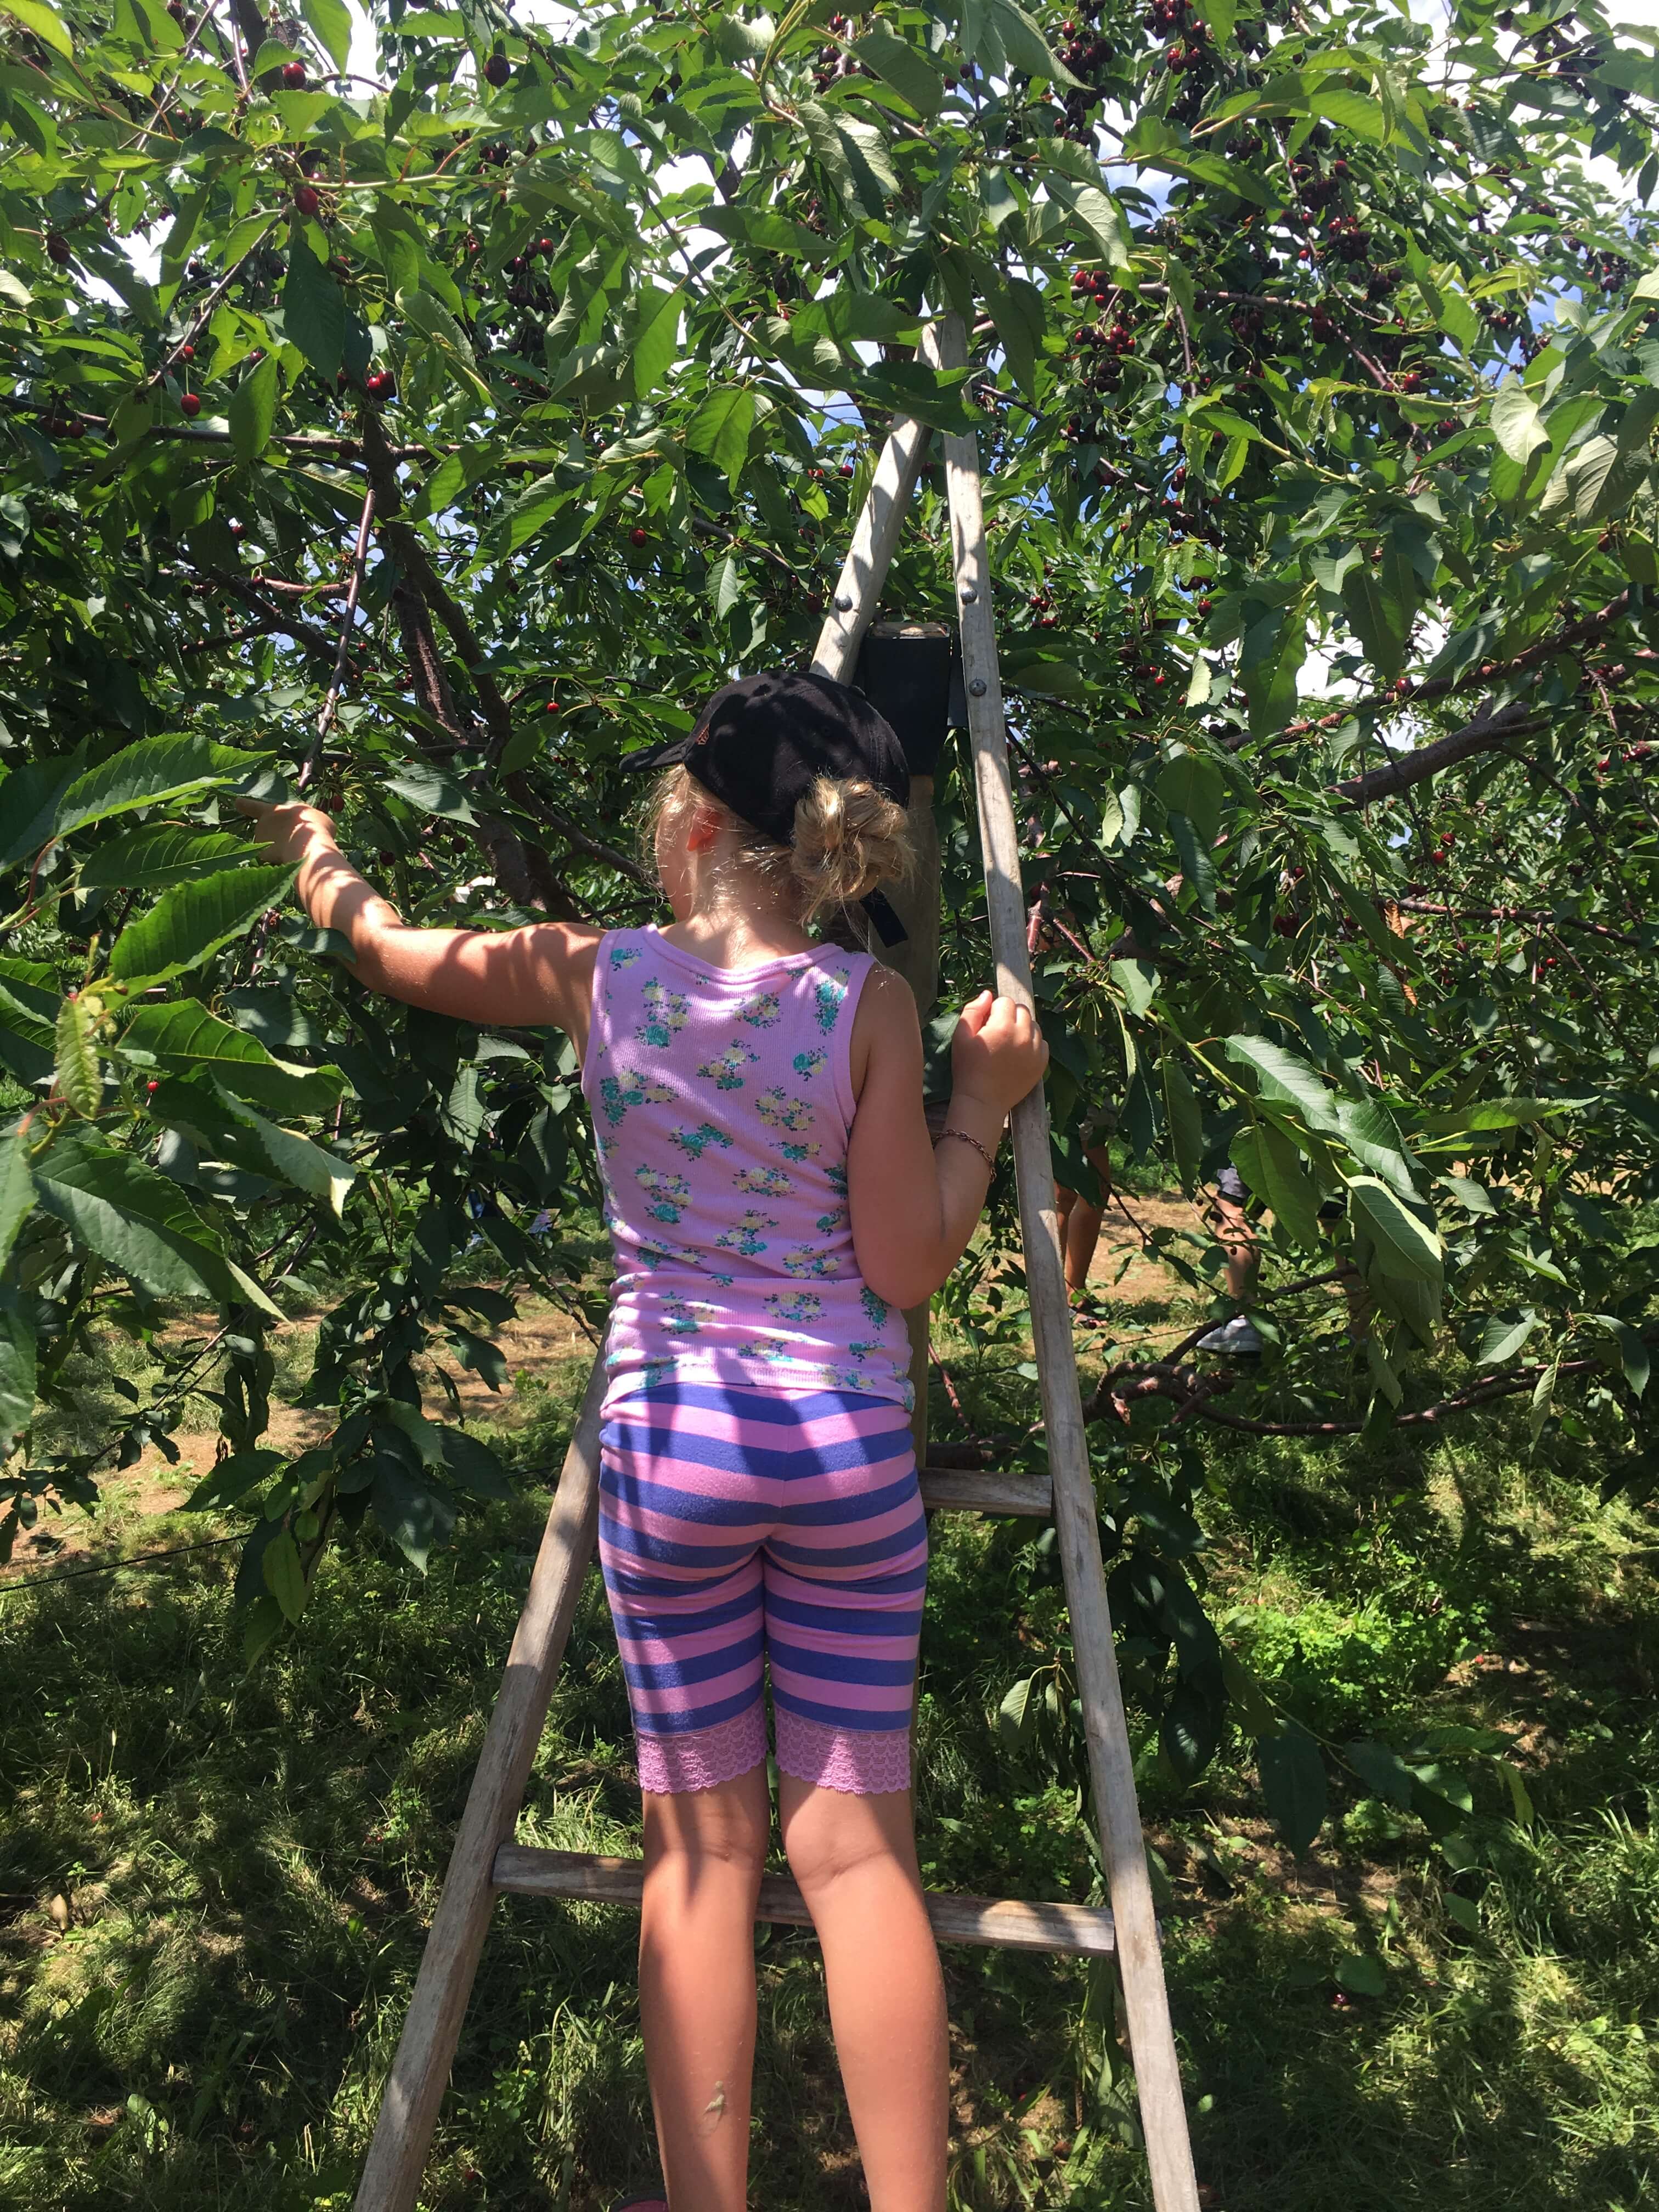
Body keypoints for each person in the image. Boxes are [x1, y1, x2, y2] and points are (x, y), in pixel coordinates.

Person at [239, 669, 1049, 2212]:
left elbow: (398, 952)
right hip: (841, 1455)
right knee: (861, 1861)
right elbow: (903, 1262)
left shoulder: (592, 973)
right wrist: (983, 1103)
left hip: (672, 1449)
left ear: (687, 819)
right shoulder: (865, 1006)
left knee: (702, 1862)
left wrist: (314, 853)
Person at [1053, 1103, 1115, 1302]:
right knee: (1062, 1194)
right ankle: (1050, 1294)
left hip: (1094, 1087)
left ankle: (1075, 1292)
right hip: (1056, 1087)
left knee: (1097, 1191)